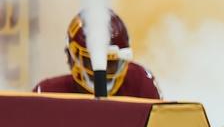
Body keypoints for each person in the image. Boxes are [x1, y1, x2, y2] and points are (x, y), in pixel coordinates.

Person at [33, 10, 161, 98]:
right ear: (70, 57)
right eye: (91, 61)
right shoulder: (47, 94)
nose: (102, 71)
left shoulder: (140, 83)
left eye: (111, 63)